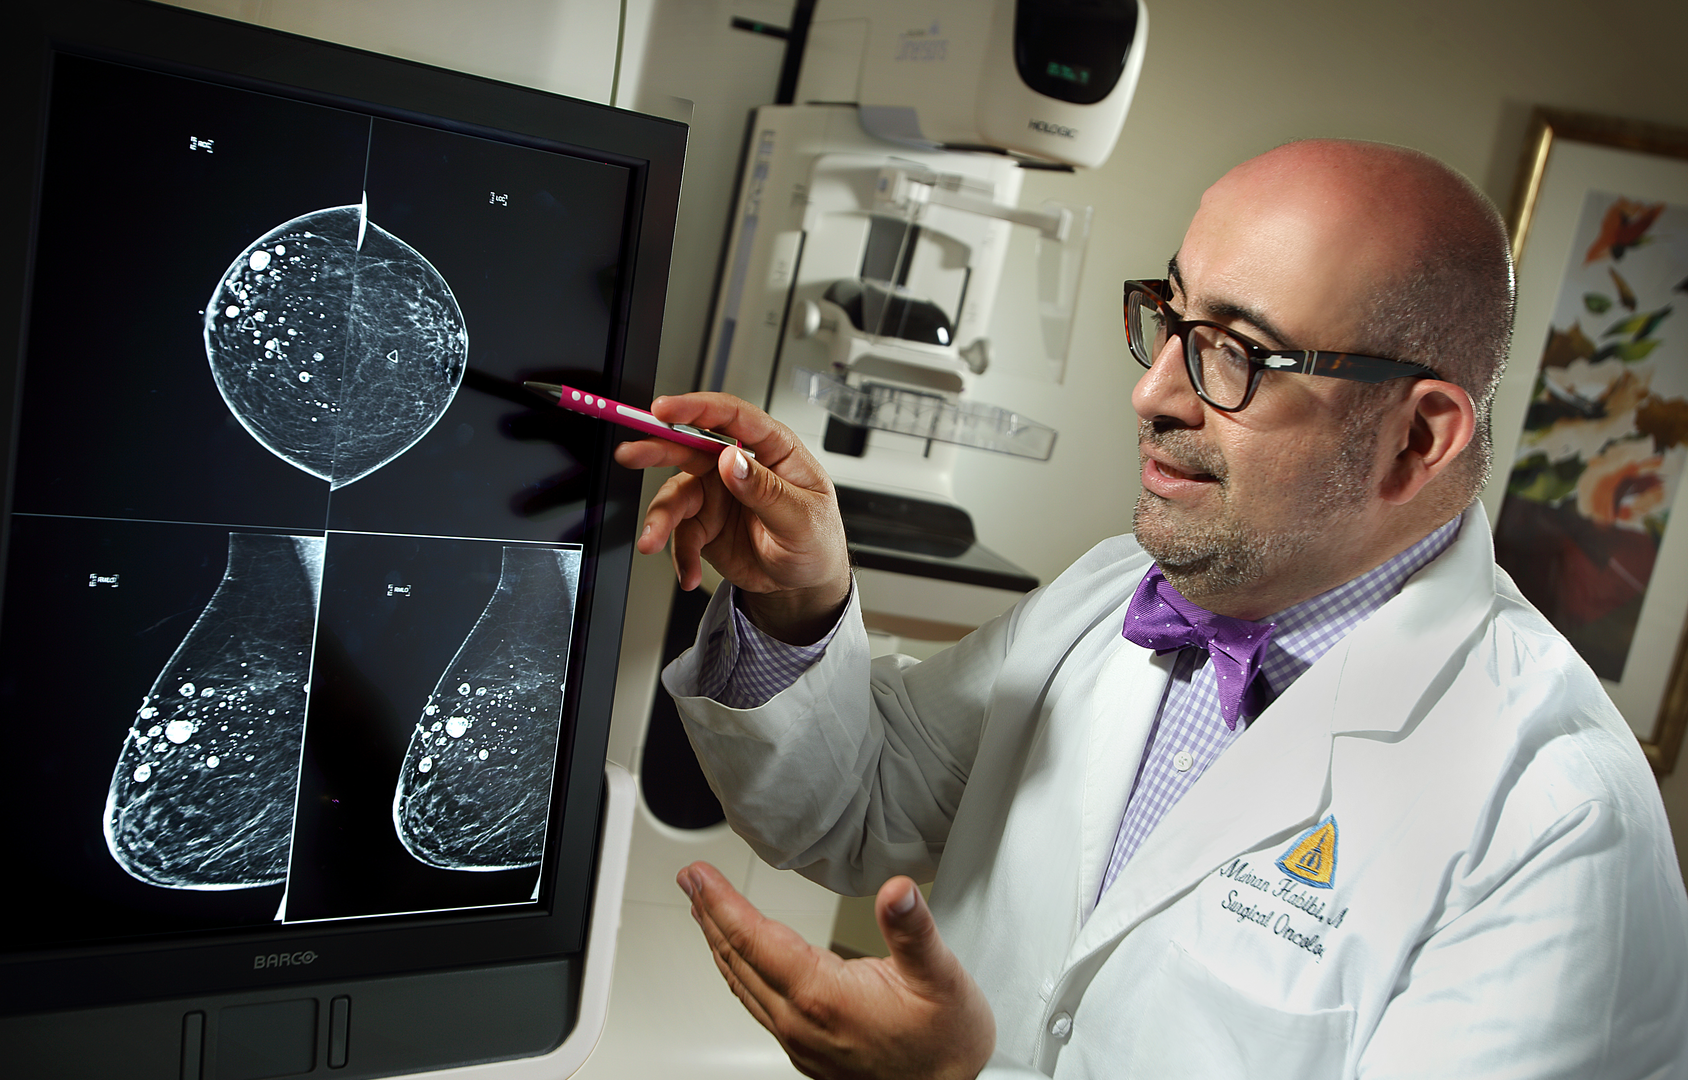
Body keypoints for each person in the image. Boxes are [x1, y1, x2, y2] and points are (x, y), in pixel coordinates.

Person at [614, 139, 1688, 1079]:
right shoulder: (1114, 592)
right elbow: (863, 810)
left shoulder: (1557, 816)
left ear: (1418, 438)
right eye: (1170, 319)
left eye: (1235, 354)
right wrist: (800, 600)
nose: (1153, 392)